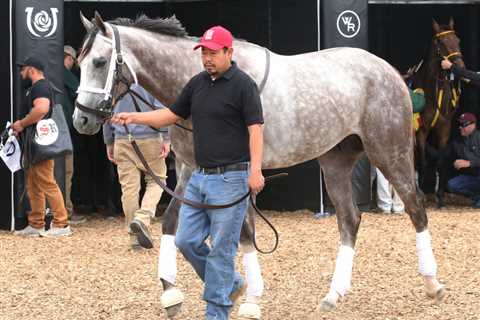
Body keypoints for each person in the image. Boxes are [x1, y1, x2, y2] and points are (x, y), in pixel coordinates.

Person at [111, 25, 265, 320]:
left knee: (221, 250)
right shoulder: (197, 84)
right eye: (204, 52)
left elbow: (255, 130)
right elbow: (171, 115)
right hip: (199, 177)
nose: (207, 58)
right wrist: (134, 116)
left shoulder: (244, 85)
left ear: (229, 53)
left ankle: (216, 312)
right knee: (185, 241)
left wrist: (255, 171)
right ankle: (230, 283)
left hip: (232, 178)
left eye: (213, 52)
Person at [103, 83, 170, 250]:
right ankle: (142, 218)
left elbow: (105, 113)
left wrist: (108, 141)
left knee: (129, 189)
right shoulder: (147, 81)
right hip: (150, 137)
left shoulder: (114, 84)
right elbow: (161, 109)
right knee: (157, 180)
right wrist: (166, 137)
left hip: (121, 138)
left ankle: (134, 239)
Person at [12, 56, 72, 237]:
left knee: (46, 182)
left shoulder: (40, 86)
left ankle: (62, 224)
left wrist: (22, 123)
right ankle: (36, 223)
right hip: (36, 142)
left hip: (41, 142)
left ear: (31, 69)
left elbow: (42, 109)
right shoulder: (38, 87)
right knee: (34, 183)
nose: (21, 72)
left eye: (23, 69)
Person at [63, 45, 87, 224]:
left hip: (54, 130)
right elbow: (80, 91)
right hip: (64, 130)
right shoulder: (65, 74)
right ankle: (66, 211)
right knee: (67, 170)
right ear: (69, 59)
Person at [446, 112, 480, 208]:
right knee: (452, 185)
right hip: (473, 177)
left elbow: (470, 163)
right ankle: (477, 196)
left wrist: (470, 163)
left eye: (463, 124)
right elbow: (444, 155)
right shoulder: (458, 142)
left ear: (473, 125)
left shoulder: (479, 137)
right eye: (459, 125)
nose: (460, 127)